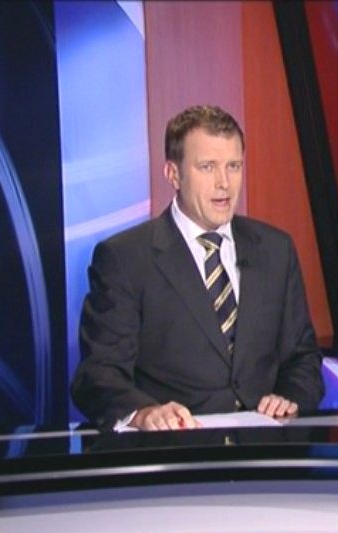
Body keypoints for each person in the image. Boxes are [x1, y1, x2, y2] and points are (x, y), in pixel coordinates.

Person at [71, 105, 325, 431]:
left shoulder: (276, 250)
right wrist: (143, 413)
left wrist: (289, 398)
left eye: (233, 166)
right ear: (173, 174)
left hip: (264, 447)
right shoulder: (126, 258)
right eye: (207, 167)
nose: (224, 183)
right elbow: (98, 373)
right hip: (174, 448)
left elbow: (303, 358)